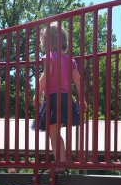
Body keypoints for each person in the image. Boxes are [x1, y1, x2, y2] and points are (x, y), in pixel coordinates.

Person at [32, 22, 87, 171]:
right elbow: (78, 81)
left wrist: (37, 93)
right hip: (66, 99)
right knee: (56, 134)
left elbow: (45, 76)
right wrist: (82, 99)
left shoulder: (50, 57)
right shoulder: (70, 60)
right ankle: (61, 163)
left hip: (53, 99)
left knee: (53, 135)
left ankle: (59, 164)